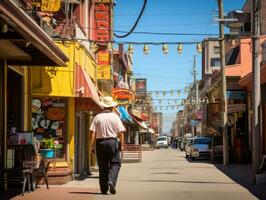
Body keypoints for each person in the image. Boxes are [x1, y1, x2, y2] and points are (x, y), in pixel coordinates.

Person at [89, 96, 125, 195]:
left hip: (100, 143)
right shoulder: (115, 117)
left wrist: (91, 146)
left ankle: (104, 189)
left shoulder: (97, 117)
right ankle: (111, 181)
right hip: (112, 142)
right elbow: (121, 132)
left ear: (103, 106)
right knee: (115, 163)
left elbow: (92, 133)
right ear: (112, 107)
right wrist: (122, 145)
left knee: (102, 166)